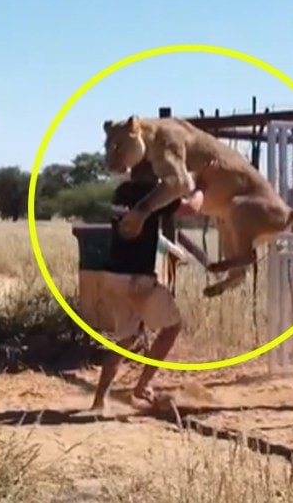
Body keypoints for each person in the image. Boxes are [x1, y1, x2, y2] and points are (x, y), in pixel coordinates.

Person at [90, 163, 206, 411]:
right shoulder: (152, 195)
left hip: (114, 276)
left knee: (125, 338)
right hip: (137, 279)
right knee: (172, 327)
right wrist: (200, 186)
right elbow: (191, 209)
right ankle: (143, 385)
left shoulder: (121, 192)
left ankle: (99, 400)